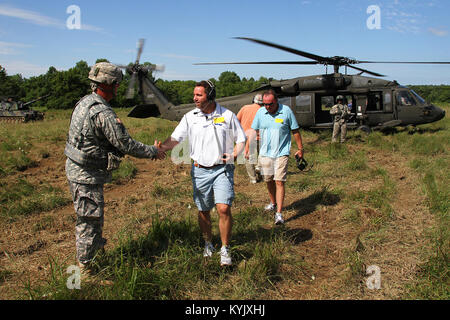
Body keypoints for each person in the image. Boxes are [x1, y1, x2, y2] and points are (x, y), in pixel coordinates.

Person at [64, 62, 166, 274]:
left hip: (78, 170)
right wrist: (153, 151)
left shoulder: (84, 102)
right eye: (117, 84)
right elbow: (126, 144)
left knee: (91, 217)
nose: (118, 88)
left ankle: (94, 254)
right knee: (89, 220)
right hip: (86, 175)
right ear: (109, 85)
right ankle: (86, 269)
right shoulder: (103, 112)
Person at [159, 80, 246, 266]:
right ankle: (208, 243)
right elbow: (176, 138)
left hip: (222, 169)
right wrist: (162, 148)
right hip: (199, 170)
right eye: (194, 95)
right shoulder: (190, 117)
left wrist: (234, 154)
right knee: (203, 210)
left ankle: (225, 248)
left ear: (210, 95)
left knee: (223, 208)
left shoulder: (227, 115)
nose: (194, 98)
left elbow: (241, 139)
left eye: (199, 95)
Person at [249, 89, 304, 225]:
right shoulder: (261, 112)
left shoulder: (286, 111)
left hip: (281, 153)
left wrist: (300, 148)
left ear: (276, 101)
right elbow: (253, 130)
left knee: (279, 181)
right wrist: (247, 148)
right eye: (265, 104)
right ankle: (273, 203)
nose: (267, 107)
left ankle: (279, 213)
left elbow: (295, 131)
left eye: (270, 104)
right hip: (265, 153)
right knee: (269, 180)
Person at [237, 93, 263, 184]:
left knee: (248, 157)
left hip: (245, 137)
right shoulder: (263, 110)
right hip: (258, 136)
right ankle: (259, 169)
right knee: (261, 155)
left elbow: (237, 120)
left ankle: (253, 179)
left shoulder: (244, 108)